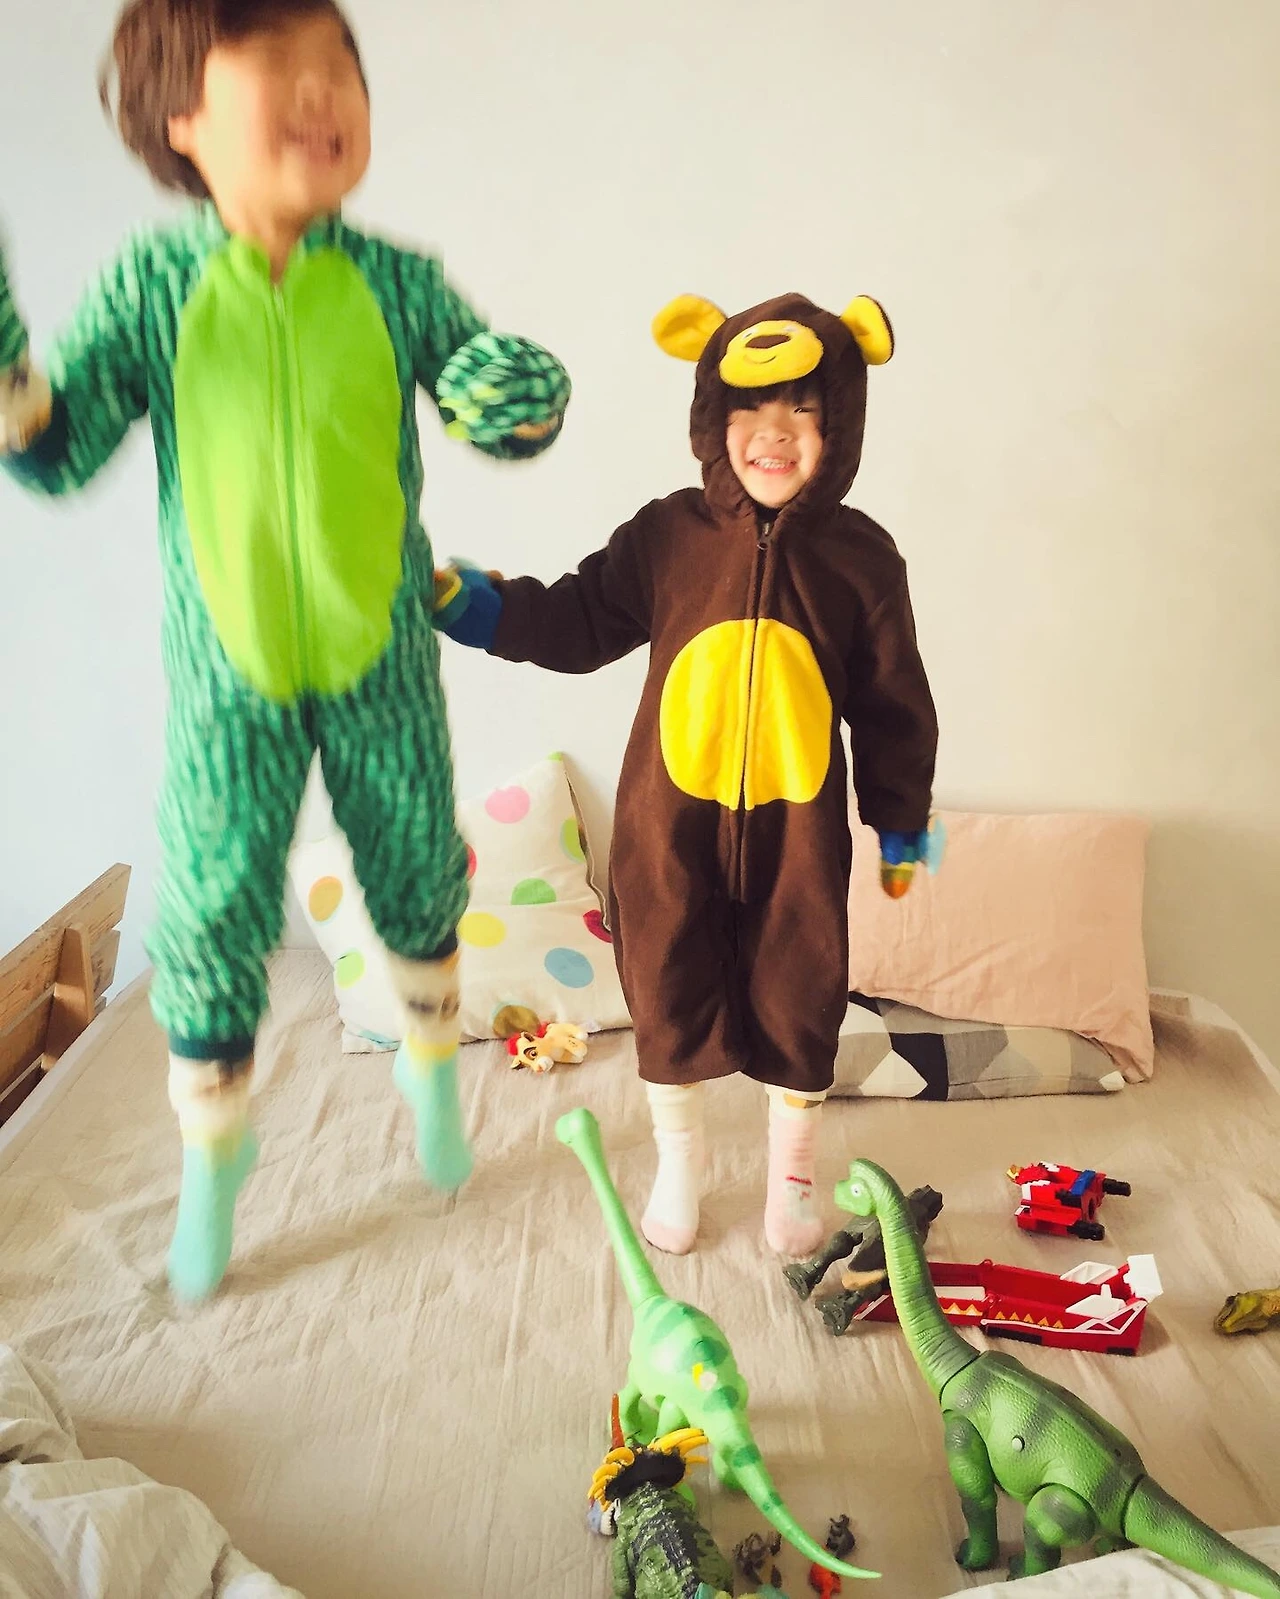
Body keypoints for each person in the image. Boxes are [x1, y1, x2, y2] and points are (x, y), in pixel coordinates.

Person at [0, 0, 571, 1302]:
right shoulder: (152, 287)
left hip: (383, 657)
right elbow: (57, 447)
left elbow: (491, 396)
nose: (324, 93)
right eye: (282, 68)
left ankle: (432, 1078)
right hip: (229, 681)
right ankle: (215, 1155)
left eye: (339, 66)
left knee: (417, 868)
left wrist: (513, 392)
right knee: (208, 910)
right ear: (182, 121)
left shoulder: (396, 279)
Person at [435, 290, 937, 1256]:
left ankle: (792, 1179)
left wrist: (902, 819)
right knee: (665, 977)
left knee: (803, 982)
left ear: (843, 424)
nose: (775, 435)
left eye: (805, 410)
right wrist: (478, 608)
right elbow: (578, 620)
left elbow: (894, 703)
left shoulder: (863, 559)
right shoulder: (668, 536)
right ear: (713, 419)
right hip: (668, 816)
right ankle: (680, 1162)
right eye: (751, 410)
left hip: (798, 825)